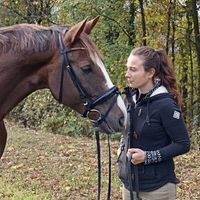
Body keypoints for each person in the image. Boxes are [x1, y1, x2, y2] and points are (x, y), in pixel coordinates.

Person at [117, 46, 190, 200]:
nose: (127, 74)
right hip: (129, 185)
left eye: (133, 69)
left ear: (150, 73)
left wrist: (148, 156)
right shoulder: (129, 99)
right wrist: (122, 147)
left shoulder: (166, 105)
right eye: (127, 69)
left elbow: (183, 144)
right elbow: (126, 131)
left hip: (158, 189)